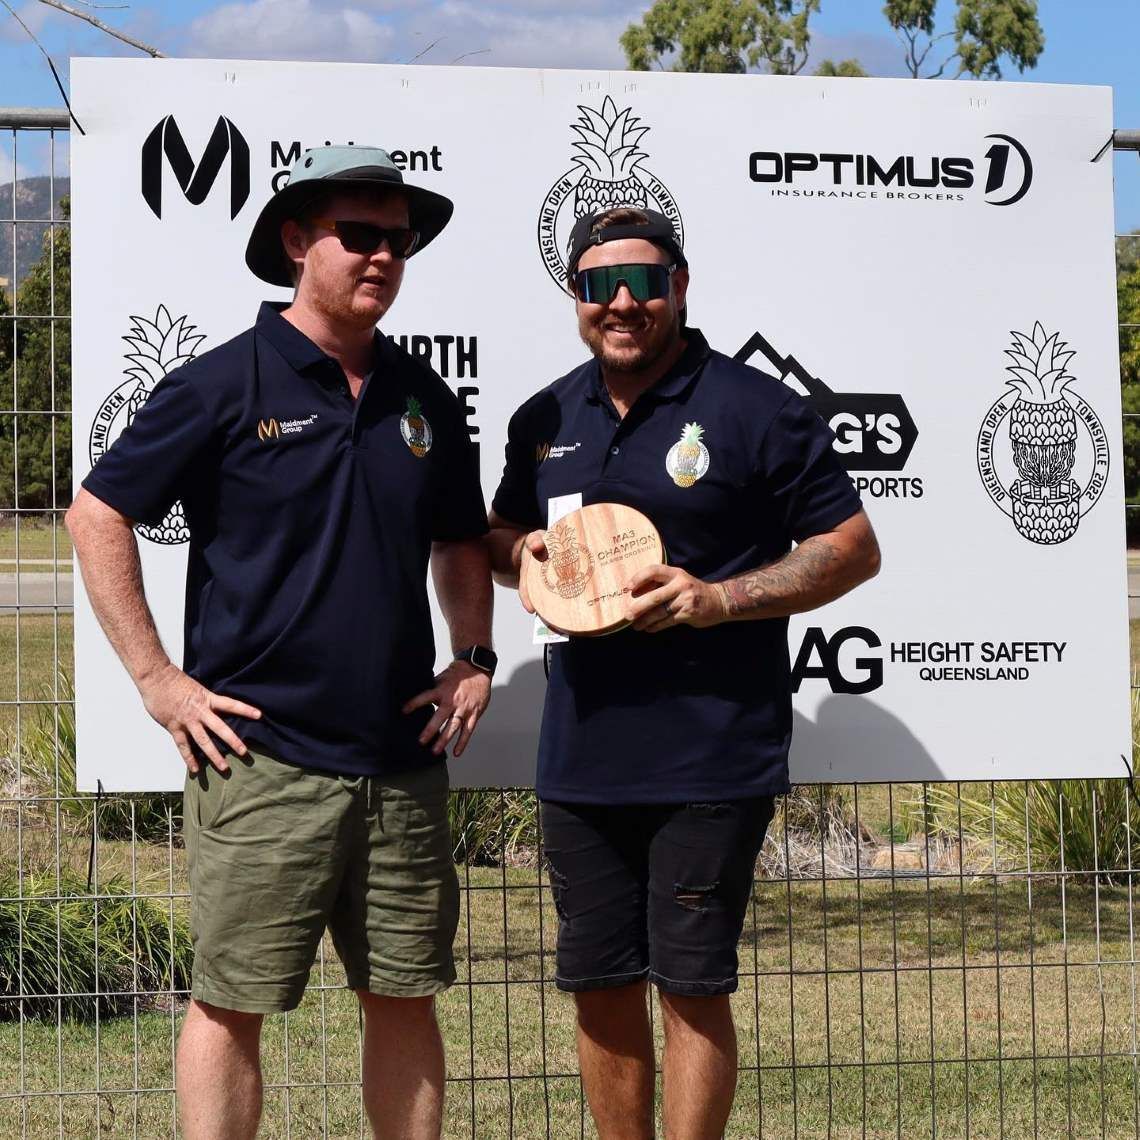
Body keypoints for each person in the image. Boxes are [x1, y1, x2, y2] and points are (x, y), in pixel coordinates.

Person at [66, 146, 497, 1140]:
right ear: (298, 243)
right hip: (260, 760)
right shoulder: (223, 383)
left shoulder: (424, 397)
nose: (384, 255)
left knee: (405, 998)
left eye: (400, 239)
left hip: (400, 760)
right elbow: (97, 514)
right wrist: (158, 682)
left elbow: (461, 540)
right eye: (361, 234)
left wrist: (472, 657)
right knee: (231, 1003)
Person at [486, 207, 881, 1139]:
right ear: (576, 298)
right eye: (598, 285)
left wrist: (719, 599)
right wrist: (529, 556)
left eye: (645, 282)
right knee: (596, 982)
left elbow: (852, 550)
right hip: (579, 755)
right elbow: (499, 539)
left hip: (713, 752)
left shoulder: (756, 408)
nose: (622, 302)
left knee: (692, 988)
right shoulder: (545, 417)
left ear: (681, 286)